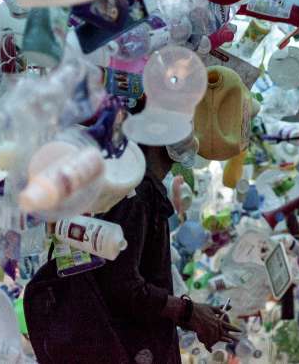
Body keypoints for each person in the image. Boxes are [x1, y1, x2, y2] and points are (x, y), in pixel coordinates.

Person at [92, 139, 241, 364]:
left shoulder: (144, 191)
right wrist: (187, 312)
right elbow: (121, 285)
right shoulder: (136, 194)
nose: (191, 136)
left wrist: (191, 315)